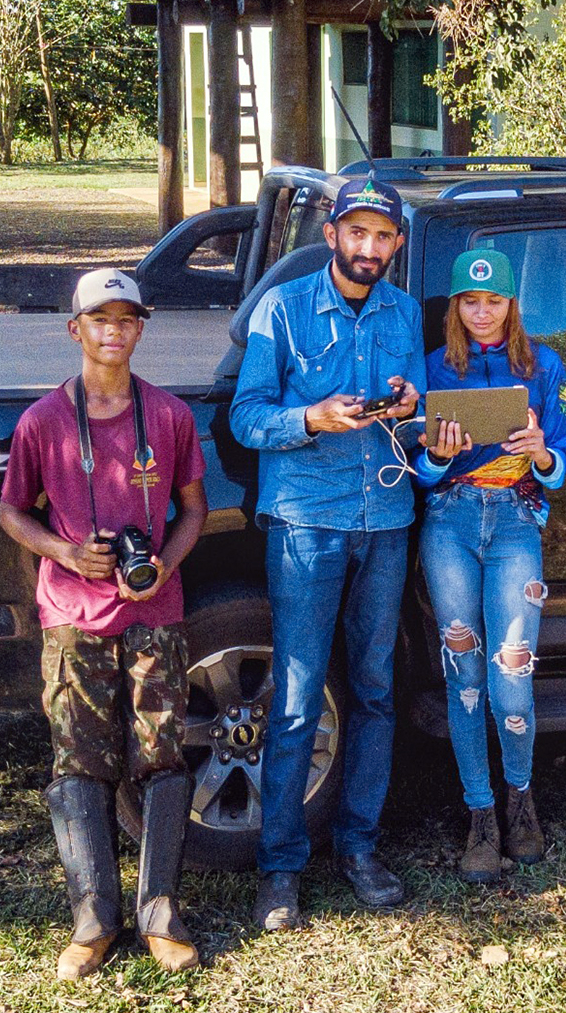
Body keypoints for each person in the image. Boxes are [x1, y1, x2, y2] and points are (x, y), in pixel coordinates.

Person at [0, 269, 208, 979]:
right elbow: (11, 513)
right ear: (76, 329)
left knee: (162, 756)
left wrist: (165, 569)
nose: (114, 331)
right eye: (100, 319)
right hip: (71, 615)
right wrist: (65, 552)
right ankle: (93, 916)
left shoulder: (171, 417)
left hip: (156, 615)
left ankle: (161, 911)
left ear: (141, 329)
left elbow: (194, 510)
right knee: (79, 763)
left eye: (127, 319)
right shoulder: (43, 422)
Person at [230, 177, 425, 929]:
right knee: (298, 694)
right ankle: (280, 867)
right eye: (358, 233)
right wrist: (311, 416)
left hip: (385, 519)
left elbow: (415, 422)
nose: (369, 248)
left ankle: (360, 847)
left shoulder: (405, 313)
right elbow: (247, 417)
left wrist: (411, 410)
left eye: (383, 237)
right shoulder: (281, 309)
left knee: (376, 690)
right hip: (307, 521)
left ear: (396, 244)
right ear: (334, 234)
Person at [413, 249, 566, 882]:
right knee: (466, 676)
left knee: (512, 675)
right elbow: (417, 473)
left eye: (495, 301)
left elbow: (558, 465)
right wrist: (433, 453)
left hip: (514, 522)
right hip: (450, 521)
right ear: (455, 306)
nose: (483, 313)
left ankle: (521, 799)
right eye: (470, 302)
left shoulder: (542, 366)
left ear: (513, 304)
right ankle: (480, 813)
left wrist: (539, 451)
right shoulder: (434, 369)